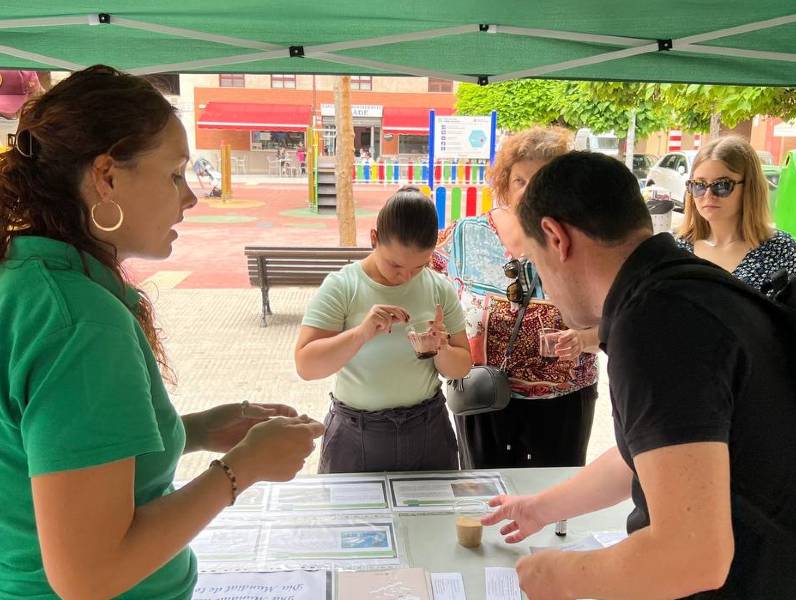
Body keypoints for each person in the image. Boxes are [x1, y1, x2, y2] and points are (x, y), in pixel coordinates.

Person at [0, 65, 324, 599]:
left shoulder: (30, 279)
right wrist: (240, 469)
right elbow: (88, 574)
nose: (190, 197)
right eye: (175, 174)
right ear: (106, 177)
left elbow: (50, 455)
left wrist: (191, 430)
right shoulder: (79, 322)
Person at [484, 151, 796, 599]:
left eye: (536, 265)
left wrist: (558, 576)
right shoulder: (685, 286)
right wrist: (539, 508)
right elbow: (655, 449)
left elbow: (692, 557)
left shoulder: (653, 322)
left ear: (556, 238)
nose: (549, 294)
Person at [432, 127, 599, 469]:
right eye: (520, 180)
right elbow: (420, 286)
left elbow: (619, 319)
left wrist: (584, 338)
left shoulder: (584, 242)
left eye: (540, 181)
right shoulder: (465, 234)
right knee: (483, 494)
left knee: (553, 499)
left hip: (563, 403)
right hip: (482, 396)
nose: (528, 192)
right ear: (505, 183)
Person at [295, 186, 472, 473]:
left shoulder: (439, 288)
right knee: (352, 518)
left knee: (434, 517)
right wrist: (361, 333)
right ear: (374, 238)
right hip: (356, 432)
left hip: (426, 428)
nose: (406, 277)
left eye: (419, 267)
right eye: (396, 265)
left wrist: (441, 347)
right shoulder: (343, 287)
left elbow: (462, 367)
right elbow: (306, 366)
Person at [675, 135, 796, 289]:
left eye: (722, 185)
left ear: (749, 187)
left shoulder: (781, 249)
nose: (708, 195)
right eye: (699, 185)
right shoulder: (677, 248)